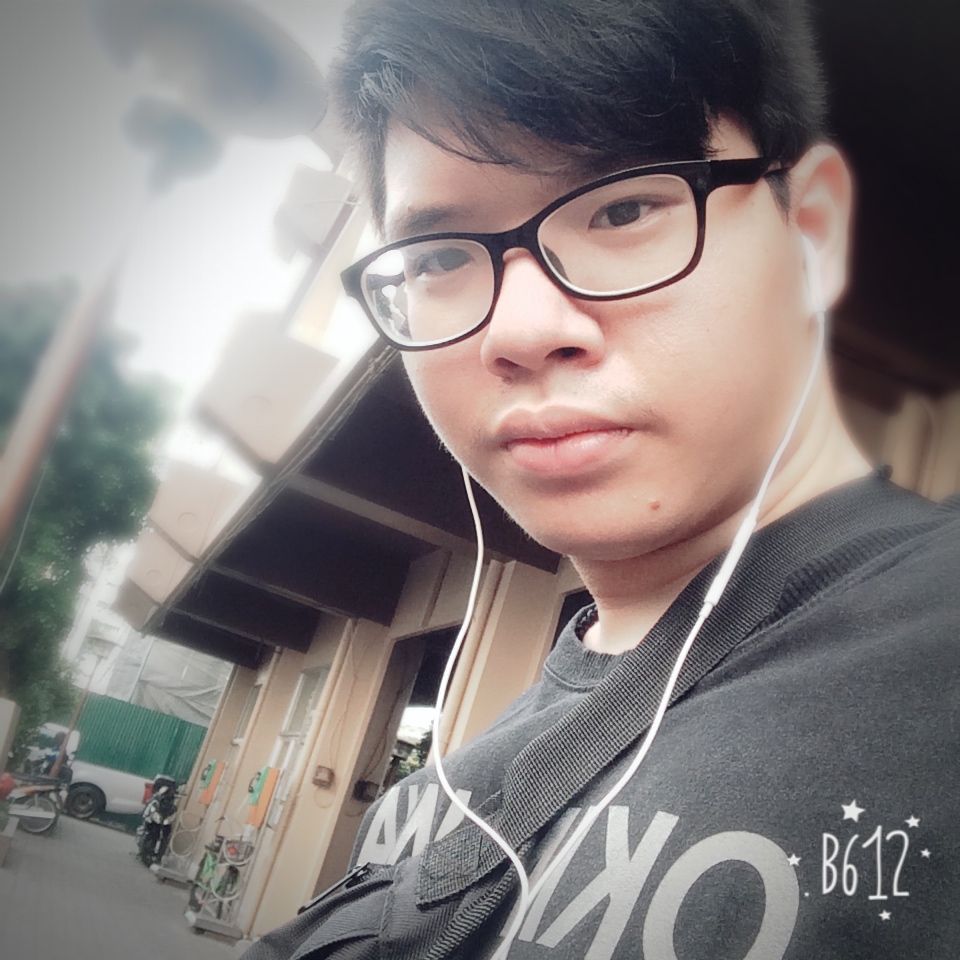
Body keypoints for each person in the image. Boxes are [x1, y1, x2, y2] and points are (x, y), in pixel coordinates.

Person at [244, 1, 960, 957]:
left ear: (814, 232)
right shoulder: (457, 783)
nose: (520, 330)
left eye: (623, 209)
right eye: (441, 256)